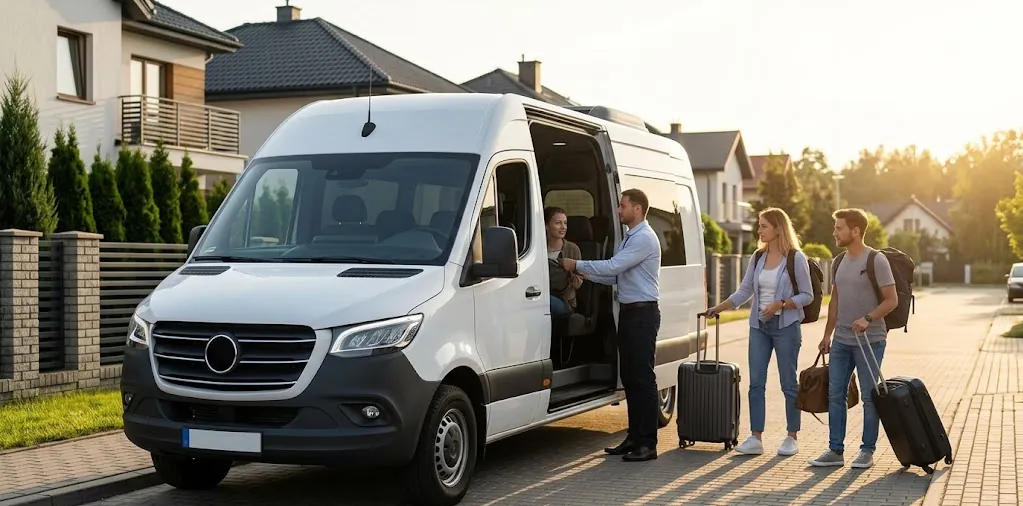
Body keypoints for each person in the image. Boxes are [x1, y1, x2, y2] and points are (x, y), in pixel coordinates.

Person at [561, 189, 661, 462]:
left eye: (623, 205)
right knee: (629, 377)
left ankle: (648, 443)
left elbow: (614, 266)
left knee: (643, 378)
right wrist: (586, 273)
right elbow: (616, 277)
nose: (618, 210)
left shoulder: (643, 239)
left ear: (637, 209)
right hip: (630, 313)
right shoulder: (630, 238)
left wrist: (576, 262)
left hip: (642, 314)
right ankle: (634, 437)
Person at [706, 207, 813, 457]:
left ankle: (791, 436)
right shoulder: (757, 257)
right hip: (759, 328)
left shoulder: (795, 258)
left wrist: (781, 304)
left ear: (778, 228)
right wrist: (718, 308)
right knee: (756, 383)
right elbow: (744, 292)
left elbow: (807, 295)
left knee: (788, 383)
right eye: (759, 225)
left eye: (764, 225)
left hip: (785, 327)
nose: (759, 230)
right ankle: (756, 437)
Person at [809, 208, 898, 469]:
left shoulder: (876, 260)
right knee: (835, 394)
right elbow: (835, 301)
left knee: (871, 397)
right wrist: (827, 334)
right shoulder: (838, 262)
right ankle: (835, 451)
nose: (834, 232)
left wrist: (868, 318)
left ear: (855, 230)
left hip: (871, 340)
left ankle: (867, 451)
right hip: (841, 341)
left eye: (839, 228)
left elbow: (891, 300)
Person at [545, 207, 583, 316]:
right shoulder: (536, 249)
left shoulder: (572, 249)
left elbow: (578, 284)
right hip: (539, 294)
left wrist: (569, 270)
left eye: (565, 223)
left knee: (546, 302)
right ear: (546, 226)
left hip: (564, 301)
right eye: (558, 223)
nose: (563, 227)